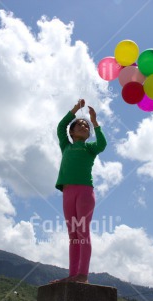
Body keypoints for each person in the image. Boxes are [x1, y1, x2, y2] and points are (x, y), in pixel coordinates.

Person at [52, 98, 107, 284]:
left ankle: (83, 275)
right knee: (73, 236)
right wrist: (75, 109)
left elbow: (102, 144)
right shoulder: (66, 146)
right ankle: (73, 275)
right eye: (80, 124)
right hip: (68, 192)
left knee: (82, 232)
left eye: (86, 125)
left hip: (84, 192)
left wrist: (95, 121)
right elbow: (61, 127)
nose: (84, 125)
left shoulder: (90, 148)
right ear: (72, 132)